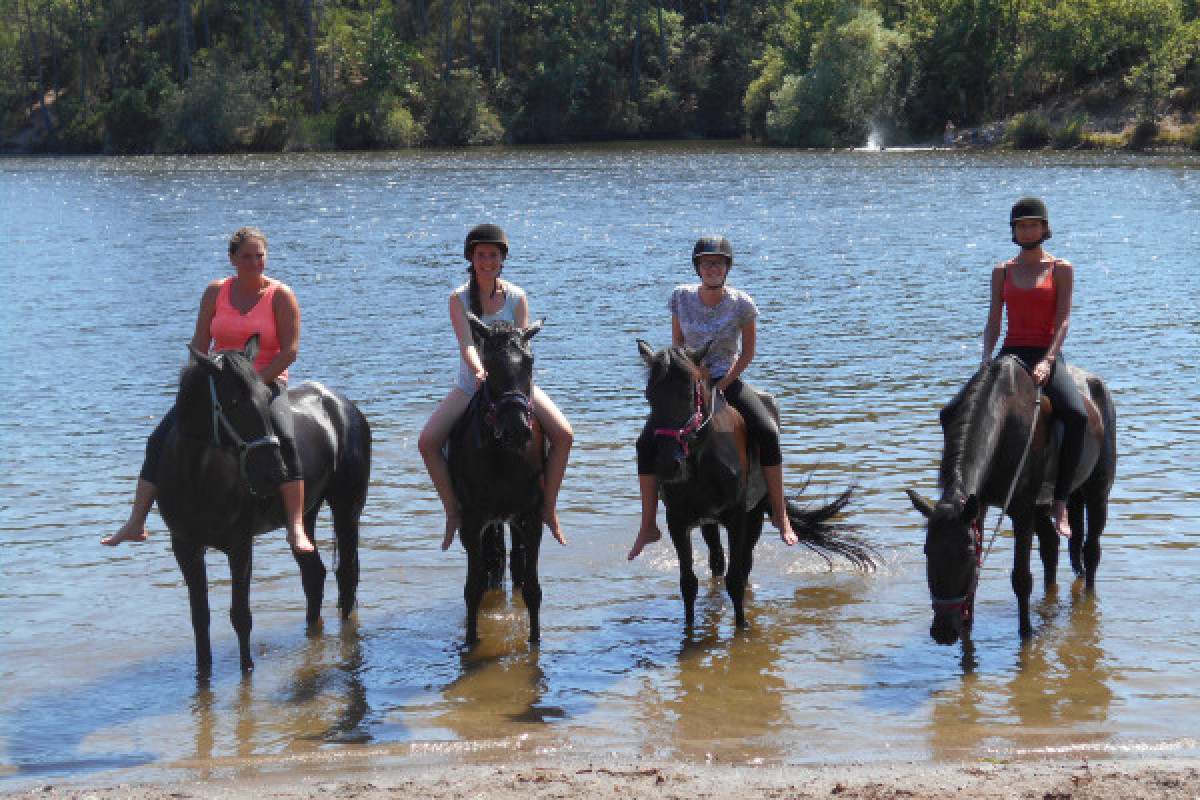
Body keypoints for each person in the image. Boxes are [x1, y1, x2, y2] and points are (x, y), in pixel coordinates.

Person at [102, 226, 315, 553]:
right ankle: (136, 521)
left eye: (260, 256)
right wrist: (191, 385)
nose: (255, 263)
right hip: (217, 383)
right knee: (159, 438)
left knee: (284, 439)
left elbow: (290, 351)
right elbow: (201, 343)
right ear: (232, 259)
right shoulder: (215, 292)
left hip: (265, 381)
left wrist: (255, 386)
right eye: (247, 256)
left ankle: (297, 526)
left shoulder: (281, 295)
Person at [628, 236, 798, 561]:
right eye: (706, 263)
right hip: (689, 382)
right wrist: (686, 378)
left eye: (718, 263)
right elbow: (677, 343)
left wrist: (722, 385)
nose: (712, 268)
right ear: (698, 268)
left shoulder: (742, 303)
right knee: (645, 442)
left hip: (725, 380)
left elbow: (747, 353)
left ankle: (780, 513)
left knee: (767, 431)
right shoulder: (680, 297)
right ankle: (648, 524)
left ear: (726, 268)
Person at [418, 223, 573, 551]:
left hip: (515, 386)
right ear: (471, 259)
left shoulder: (517, 296)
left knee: (564, 435)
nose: (488, 261)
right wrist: (478, 371)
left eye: (493, 255)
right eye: (481, 255)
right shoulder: (458, 298)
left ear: (502, 259)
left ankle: (549, 509)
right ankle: (453, 514)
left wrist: (515, 382)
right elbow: (466, 342)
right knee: (427, 442)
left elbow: (521, 345)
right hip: (472, 383)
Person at [981, 197, 1087, 539]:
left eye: (1032, 224)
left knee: (1077, 415)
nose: (1026, 230)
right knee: (966, 410)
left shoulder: (1061, 268)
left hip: (1045, 352)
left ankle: (1060, 501)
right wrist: (986, 358)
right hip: (1011, 352)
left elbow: (1064, 320)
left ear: (1044, 228)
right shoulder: (1003, 271)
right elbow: (994, 321)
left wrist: (1049, 360)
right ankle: (971, 494)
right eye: (1020, 225)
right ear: (1013, 230)